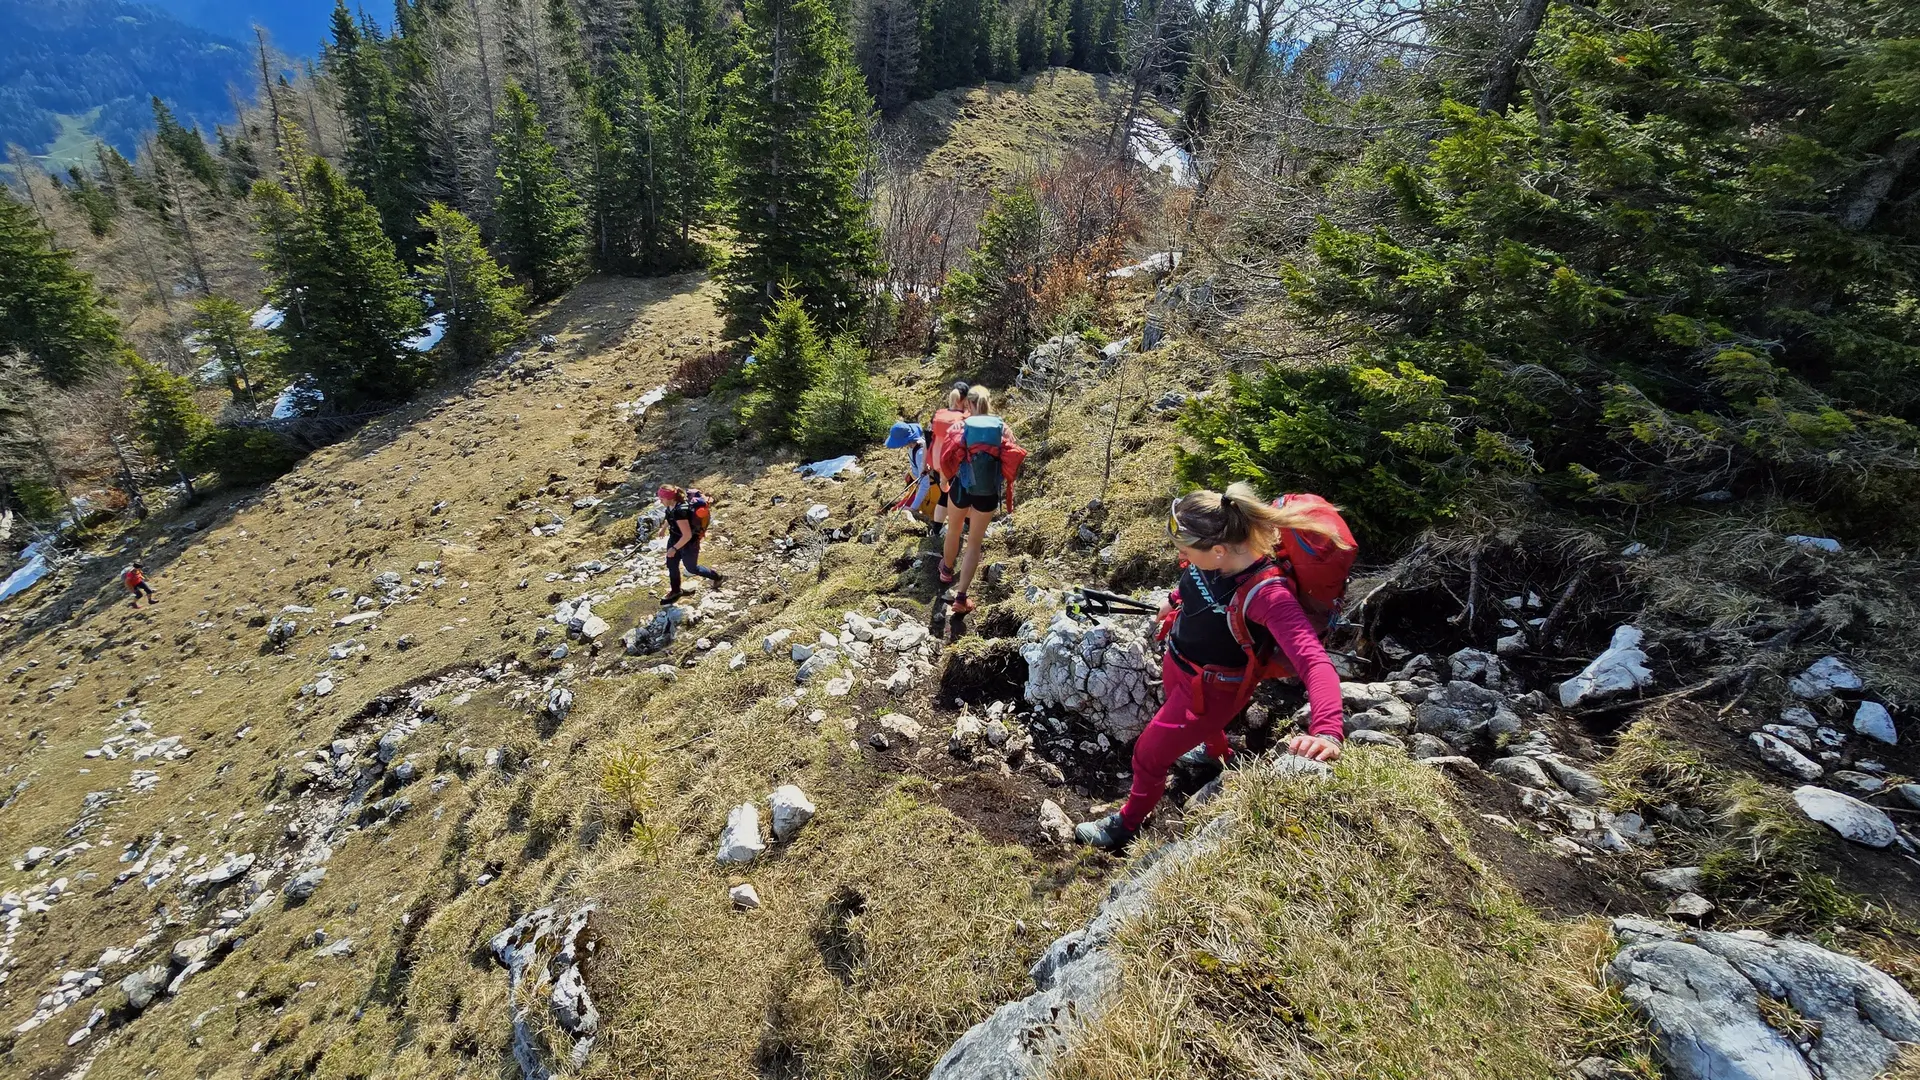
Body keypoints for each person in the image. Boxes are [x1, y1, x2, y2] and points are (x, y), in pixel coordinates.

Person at [1075, 484, 1349, 851]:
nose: (1181, 555)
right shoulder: (1220, 554)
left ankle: (1126, 824)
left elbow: (1315, 662)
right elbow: (1196, 581)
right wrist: (1173, 599)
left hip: (1212, 690)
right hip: (1179, 662)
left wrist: (1327, 731)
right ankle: (1218, 754)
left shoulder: (1269, 595)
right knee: (1193, 728)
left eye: (1186, 550)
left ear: (1218, 550)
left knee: (1147, 755)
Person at [935, 385, 1026, 615]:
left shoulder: (959, 426)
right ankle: (961, 597)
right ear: (989, 402)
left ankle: (946, 570)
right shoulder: (1003, 428)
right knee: (974, 542)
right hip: (987, 493)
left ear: (968, 404)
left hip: (961, 488)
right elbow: (1011, 457)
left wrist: (944, 481)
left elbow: (946, 456)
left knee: (954, 530)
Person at [656, 485, 724, 604]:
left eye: (662, 498)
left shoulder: (680, 511)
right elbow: (669, 516)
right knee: (672, 565)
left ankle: (717, 576)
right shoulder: (671, 506)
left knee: (691, 568)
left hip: (689, 544)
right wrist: (663, 528)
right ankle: (676, 591)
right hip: (674, 539)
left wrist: (674, 548)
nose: (660, 501)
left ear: (670, 498)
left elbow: (687, 535)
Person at [927, 382, 970, 534]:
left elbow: (928, 438)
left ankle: (936, 531)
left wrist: (927, 463)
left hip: (937, 464)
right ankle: (968, 527)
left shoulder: (938, 414)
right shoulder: (965, 418)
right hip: (954, 465)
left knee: (944, 496)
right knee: (965, 497)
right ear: (965, 399)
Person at [884, 419, 937, 530]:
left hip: (929, 491)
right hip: (917, 485)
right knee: (894, 510)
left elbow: (925, 484)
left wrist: (912, 508)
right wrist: (910, 474)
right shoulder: (912, 447)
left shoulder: (920, 453)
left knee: (898, 513)